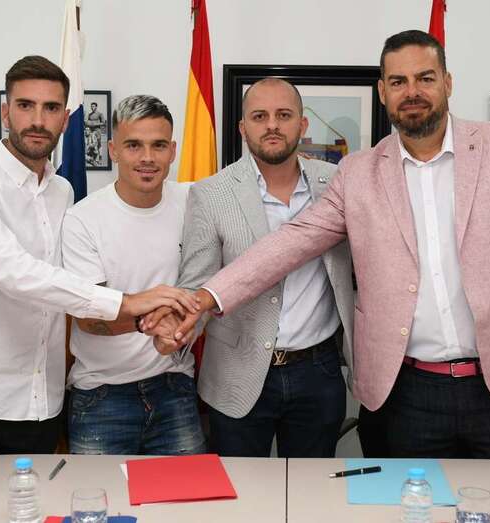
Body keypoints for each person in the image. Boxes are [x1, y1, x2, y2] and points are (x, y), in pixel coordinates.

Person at [168, 30, 490, 460]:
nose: (412, 92)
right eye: (398, 82)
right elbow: (292, 242)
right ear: (383, 91)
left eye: (425, 78)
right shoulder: (358, 172)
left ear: (448, 82)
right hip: (407, 392)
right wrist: (207, 296)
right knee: (407, 508)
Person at [0, 56, 198, 461]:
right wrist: (128, 303)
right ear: (5, 112)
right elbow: (12, 271)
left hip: (37, 400)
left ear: (66, 119)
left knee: (34, 512)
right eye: (25, 105)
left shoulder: (62, 191)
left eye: (50, 108)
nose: (37, 120)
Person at [152, 77, 354, 458]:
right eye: (260, 116)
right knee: (240, 498)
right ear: (243, 128)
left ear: (303, 125)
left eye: (284, 115)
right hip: (236, 372)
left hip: (319, 372)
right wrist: (177, 331)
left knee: (312, 497)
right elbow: (199, 284)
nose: (272, 125)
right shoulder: (211, 194)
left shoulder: (338, 184)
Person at [61, 95, 205, 455]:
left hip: (175, 387)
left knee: (186, 510)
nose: (147, 158)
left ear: (173, 151)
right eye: (133, 145)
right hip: (102, 397)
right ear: (112, 149)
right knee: (99, 508)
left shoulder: (195, 202)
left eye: (158, 145)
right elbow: (87, 320)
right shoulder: (83, 220)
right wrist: (149, 320)